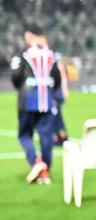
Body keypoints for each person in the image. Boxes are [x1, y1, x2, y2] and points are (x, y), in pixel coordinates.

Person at [10, 23, 61, 184]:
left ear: (29, 35)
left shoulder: (23, 53)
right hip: (46, 101)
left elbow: (15, 76)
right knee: (46, 136)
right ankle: (45, 173)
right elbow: (57, 78)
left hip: (27, 101)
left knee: (24, 134)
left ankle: (37, 163)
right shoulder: (51, 53)